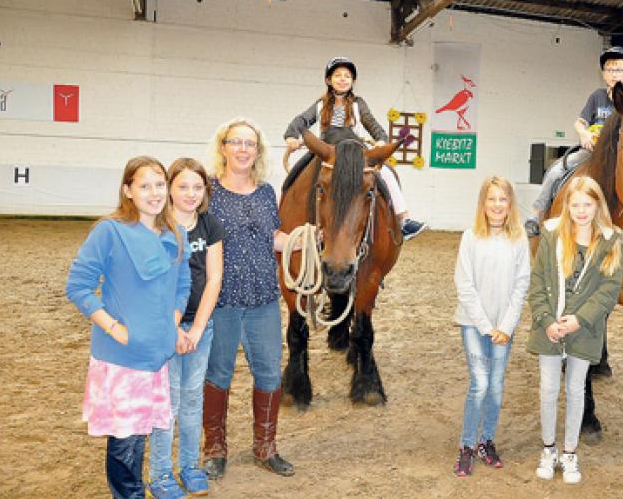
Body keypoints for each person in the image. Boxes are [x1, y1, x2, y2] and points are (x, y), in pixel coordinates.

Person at [65, 156, 191, 499]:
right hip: (121, 358)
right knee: (125, 442)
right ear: (128, 190)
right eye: (145, 185)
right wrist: (114, 328)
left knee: (139, 437)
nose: (154, 193)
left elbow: (183, 284)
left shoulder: (176, 233)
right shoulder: (110, 231)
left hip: (156, 355)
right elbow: (77, 285)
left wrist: (173, 321)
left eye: (160, 185)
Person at [202, 118, 295, 479]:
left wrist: (304, 240)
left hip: (263, 299)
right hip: (221, 299)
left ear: (257, 152)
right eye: (236, 142)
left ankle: (265, 446)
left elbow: (272, 237)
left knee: (269, 371)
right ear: (223, 146)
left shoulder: (266, 192)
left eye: (249, 144)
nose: (242, 149)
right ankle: (214, 449)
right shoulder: (207, 191)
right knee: (218, 372)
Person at [527, 176, 623, 485]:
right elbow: (538, 282)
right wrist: (547, 321)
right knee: (548, 389)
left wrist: (580, 319)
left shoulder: (611, 240)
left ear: (597, 206)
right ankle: (548, 449)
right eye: (575, 204)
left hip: (585, 329)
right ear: (567, 205)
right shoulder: (552, 235)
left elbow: (609, 289)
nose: (581, 211)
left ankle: (570, 451)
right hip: (549, 328)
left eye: (587, 204)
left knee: (575, 389)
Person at [147, 158, 225, 498]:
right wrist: (173, 329)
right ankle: (160, 473)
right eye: (182, 186)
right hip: (165, 328)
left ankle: (189, 465)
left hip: (200, 328)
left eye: (197, 187)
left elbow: (214, 278)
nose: (190, 193)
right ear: (169, 189)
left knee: (193, 399)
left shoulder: (210, 226)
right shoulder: (156, 227)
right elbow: (153, 284)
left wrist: (197, 329)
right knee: (167, 400)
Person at [283, 56, 426, 239]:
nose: (343, 79)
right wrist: (291, 136)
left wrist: (381, 140)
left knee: (387, 174)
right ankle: (283, 212)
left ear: (353, 81)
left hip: (354, 152)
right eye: (338, 75)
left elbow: (373, 125)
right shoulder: (320, 105)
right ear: (329, 80)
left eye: (347, 76)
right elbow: (301, 120)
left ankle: (403, 220)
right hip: (327, 152)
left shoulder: (359, 104)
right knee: (294, 175)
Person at [452, 176, 531, 477]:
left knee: (496, 387)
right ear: (483, 204)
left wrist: (506, 326)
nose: (497, 205)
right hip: (474, 324)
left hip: (504, 327)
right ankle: (467, 445)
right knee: (480, 383)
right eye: (492, 199)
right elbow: (465, 285)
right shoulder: (471, 236)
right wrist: (487, 326)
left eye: (503, 199)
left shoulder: (519, 237)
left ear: (510, 204)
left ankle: (486, 441)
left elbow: (521, 284)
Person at [525, 46, 623, 237]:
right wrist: (584, 135)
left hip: (619, 157)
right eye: (609, 69)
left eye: (619, 69)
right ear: (603, 74)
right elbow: (579, 123)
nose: (613, 74)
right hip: (591, 152)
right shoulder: (597, 97)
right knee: (555, 170)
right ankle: (536, 215)